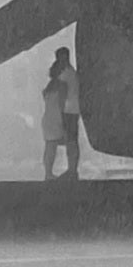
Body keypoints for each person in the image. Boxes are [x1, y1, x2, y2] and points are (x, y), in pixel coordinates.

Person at [52, 47, 81, 180]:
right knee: (73, 140)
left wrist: (59, 112)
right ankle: (73, 169)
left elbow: (62, 94)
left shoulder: (65, 74)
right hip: (74, 110)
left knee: (70, 141)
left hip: (67, 111)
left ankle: (72, 170)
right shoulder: (73, 72)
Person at [41, 72, 67, 180]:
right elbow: (62, 105)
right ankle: (51, 173)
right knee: (54, 146)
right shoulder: (62, 87)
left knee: (49, 147)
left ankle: (48, 172)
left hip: (47, 119)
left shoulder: (48, 89)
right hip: (56, 119)